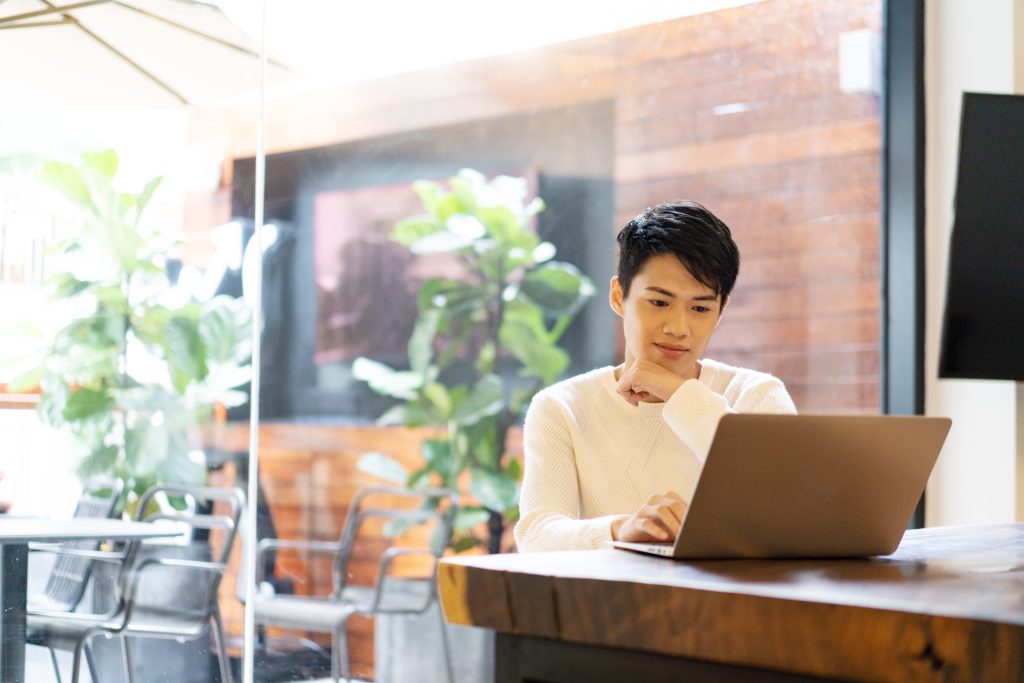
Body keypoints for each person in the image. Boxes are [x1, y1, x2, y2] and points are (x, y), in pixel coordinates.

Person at [514, 201, 796, 553]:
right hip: (615, 603)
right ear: (619, 297)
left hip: (729, 604)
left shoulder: (756, 394)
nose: (678, 328)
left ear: (721, 309)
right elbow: (537, 535)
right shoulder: (562, 407)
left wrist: (679, 394)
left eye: (700, 308)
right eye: (660, 303)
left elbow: (785, 503)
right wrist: (622, 529)